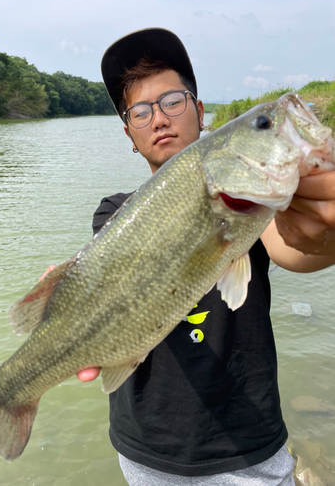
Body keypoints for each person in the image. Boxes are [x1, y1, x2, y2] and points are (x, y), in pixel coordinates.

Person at [50, 28, 335, 484]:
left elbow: (295, 249)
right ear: (129, 134)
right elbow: (108, 268)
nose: (159, 119)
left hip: (249, 447)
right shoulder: (114, 212)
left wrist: (323, 234)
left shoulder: (251, 208)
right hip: (146, 447)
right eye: (140, 112)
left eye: (172, 101)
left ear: (201, 113)